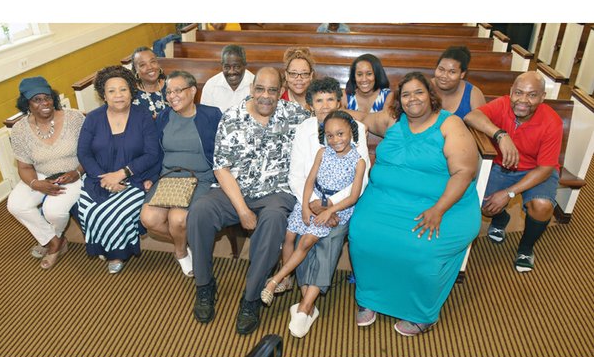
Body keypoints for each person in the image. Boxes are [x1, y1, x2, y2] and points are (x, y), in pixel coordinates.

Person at [348, 72, 481, 336]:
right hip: (385, 200)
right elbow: (361, 117)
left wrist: (438, 209)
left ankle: (422, 312)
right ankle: (370, 297)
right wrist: (325, 111)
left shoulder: (450, 124)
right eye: (406, 94)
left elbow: (464, 172)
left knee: (421, 247)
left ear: (431, 96)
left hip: (443, 204)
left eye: (418, 92)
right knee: (362, 234)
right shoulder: (393, 121)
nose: (412, 99)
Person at [186, 67, 310, 335]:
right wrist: (242, 209)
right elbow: (221, 167)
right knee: (200, 211)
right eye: (261, 89)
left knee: (275, 219)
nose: (266, 96)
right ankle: (205, 285)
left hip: (275, 191)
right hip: (234, 190)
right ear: (252, 89)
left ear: (280, 92)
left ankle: (251, 297)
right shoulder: (232, 117)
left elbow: (326, 120)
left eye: (272, 90)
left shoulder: (295, 115)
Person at [262, 110, 367, 335]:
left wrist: (330, 211)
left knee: (306, 241)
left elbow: (353, 195)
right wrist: (305, 206)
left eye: (341, 134)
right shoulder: (322, 152)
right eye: (330, 135)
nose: (336, 140)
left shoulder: (358, 162)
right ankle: (289, 283)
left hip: (340, 208)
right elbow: (309, 180)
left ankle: (276, 280)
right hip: (313, 202)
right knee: (292, 235)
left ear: (352, 132)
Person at [464, 71, 562, 273]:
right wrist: (500, 135)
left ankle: (525, 248)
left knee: (542, 206)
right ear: (511, 92)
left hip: (536, 172)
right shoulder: (502, 104)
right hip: (502, 167)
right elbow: (471, 116)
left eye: (532, 95)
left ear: (542, 97)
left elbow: (545, 169)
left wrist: (509, 193)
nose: (523, 100)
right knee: (484, 204)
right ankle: (501, 219)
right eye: (518, 93)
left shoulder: (552, 122)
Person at [77, 65, 160, 274]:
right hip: (99, 177)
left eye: (123, 89)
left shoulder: (143, 117)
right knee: (88, 210)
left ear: (131, 91)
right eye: (111, 91)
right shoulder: (93, 119)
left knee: (114, 213)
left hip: (134, 178)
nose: (118, 95)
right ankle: (105, 243)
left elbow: (152, 154)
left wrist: (122, 173)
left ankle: (117, 252)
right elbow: (84, 153)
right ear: (103, 95)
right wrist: (103, 179)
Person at [140, 71, 222, 277]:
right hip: (169, 176)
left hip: (200, 177)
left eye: (178, 90)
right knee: (149, 219)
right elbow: (155, 151)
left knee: (178, 219)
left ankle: (180, 252)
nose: (172, 96)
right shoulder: (164, 117)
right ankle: (186, 243)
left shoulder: (211, 115)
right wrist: (150, 176)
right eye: (168, 92)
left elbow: (223, 150)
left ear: (193, 91)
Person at [7, 76, 85, 270]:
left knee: (54, 212)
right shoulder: (19, 130)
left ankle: (53, 240)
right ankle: (54, 241)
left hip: (73, 173)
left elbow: (91, 153)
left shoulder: (74, 118)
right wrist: (35, 184)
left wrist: (77, 172)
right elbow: (24, 167)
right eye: (37, 99)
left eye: (47, 97)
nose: (44, 103)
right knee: (16, 205)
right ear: (27, 103)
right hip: (41, 174)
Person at [431, 46, 486, 119]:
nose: (444, 76)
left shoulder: (473, 94)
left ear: (462, 74)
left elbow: (482, 125)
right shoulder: (424, 87)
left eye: (452, 72)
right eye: (441, 69)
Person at [200, 44, 255, 113]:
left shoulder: (255, 84)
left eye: (237, 67)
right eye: (227, 67)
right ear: (222, 65)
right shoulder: (211, 85)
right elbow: (206, 116)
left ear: (245, 65)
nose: (231, 72)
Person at [130, 47, 167, 119]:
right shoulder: (131, 94)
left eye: (153, 62)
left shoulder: (171, 85)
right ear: (136, 70)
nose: (150, 67)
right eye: (142, 65)